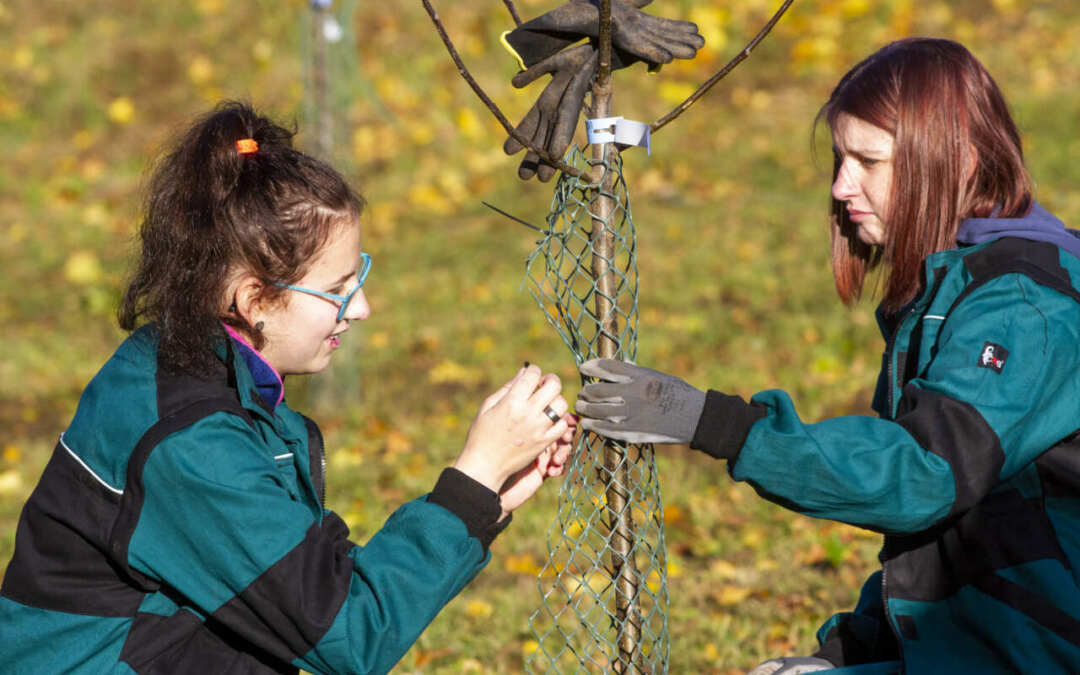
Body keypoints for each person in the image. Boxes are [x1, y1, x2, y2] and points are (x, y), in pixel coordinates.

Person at [0, 101, 577, 673]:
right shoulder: (192, 445)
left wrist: (485, 496)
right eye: (339, 288)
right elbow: (347, 633)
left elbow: (307, 584)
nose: (363, 308)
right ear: (254, 301)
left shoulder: (198, 372)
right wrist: (472, 476)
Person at [573, 37, 1080, 674]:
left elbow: (923, 477)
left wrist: (715, 423)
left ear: (960, 160)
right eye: (840, 158)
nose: (842, 187)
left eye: (869, 160)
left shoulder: (1025, 311)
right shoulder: (957, 290)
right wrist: (848, 651)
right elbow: (941, 541)